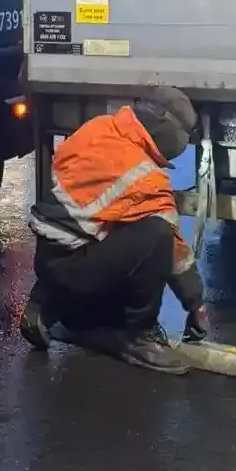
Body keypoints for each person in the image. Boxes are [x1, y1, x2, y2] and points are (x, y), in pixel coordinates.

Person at [20, 87, 209, 374]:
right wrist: (195, 303)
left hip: (50, 258)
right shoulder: (147, 178)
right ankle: (139, 336)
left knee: (112, 229)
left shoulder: (98, 127)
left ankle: (47, 302)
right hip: (77, 270)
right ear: (169, 132)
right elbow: (174, 251)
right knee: (157, 234)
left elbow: (70, 177)